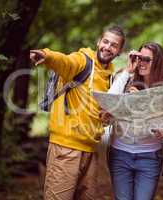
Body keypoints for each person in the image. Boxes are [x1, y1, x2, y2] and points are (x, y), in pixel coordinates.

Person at [29, 26, 125, 200]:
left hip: (90, 151)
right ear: (98, 42)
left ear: (119, 51)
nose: (108, 47)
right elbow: (65, 61)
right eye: (105, 41)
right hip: (66, 148)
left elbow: (98, 113)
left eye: (114, 45)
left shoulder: (109, 77)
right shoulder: (82, 61)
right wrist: (47, 55)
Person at [103, 42, 163, 200]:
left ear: (158, 62)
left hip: (149, 156)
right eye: (139, 58)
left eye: (147, 59)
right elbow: (108, 102)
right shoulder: (125, 78)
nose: (141, 63)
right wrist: (127, 71)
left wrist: (142, 100)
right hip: (120, 154)